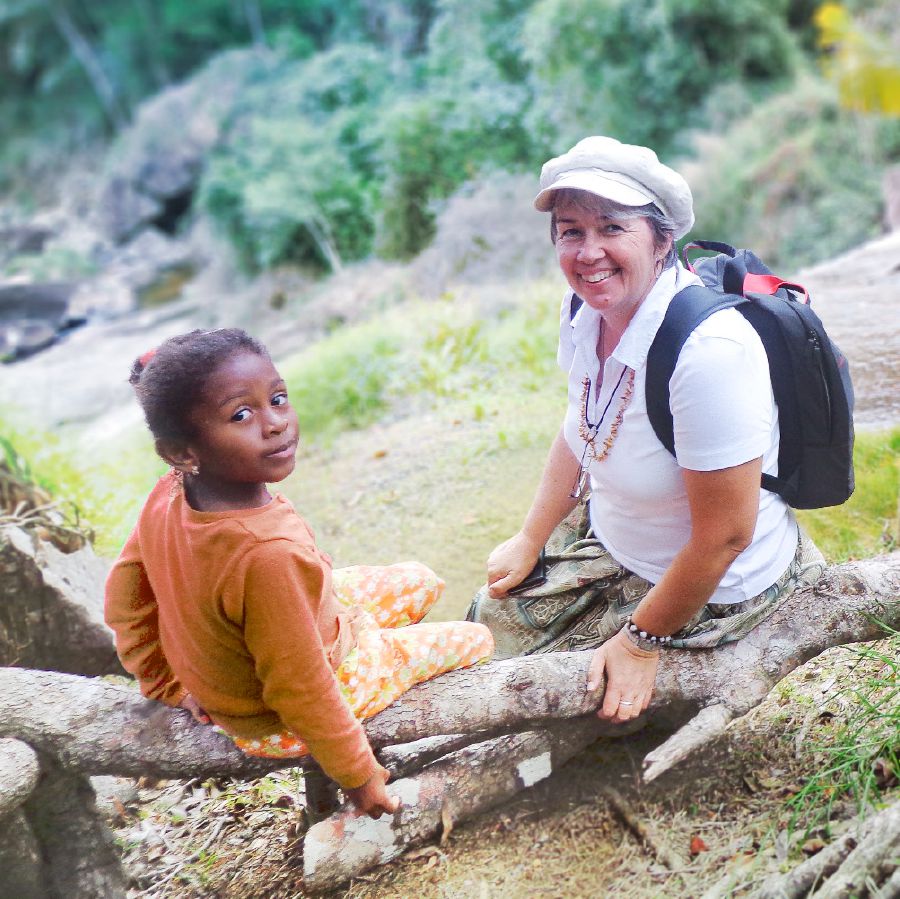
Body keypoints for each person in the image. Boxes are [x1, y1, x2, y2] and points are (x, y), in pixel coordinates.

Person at [471, 136, 824, 725]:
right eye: (570, 231)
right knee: (486, 624)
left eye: (612, 228)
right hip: (618, 539)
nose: (588, 253)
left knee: (551, 707)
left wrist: (640, 642)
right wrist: (531, 536)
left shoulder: (709, 352)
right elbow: (581, 424)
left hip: (711, 583)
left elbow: (725, 536)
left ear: (663, 241)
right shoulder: (586, 310)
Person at [105, 328, 494, 819]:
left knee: (419, 580)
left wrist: (168, 684)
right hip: (274, 717)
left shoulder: (172, 490)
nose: (275, 424)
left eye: (278, 398)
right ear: (183, 452)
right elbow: (300, 688)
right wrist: (357, 774)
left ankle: (370, 644)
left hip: (268, 650)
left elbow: (123, 599)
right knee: (476, 639)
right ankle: (381, 679)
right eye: (241, 415)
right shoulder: (266, 555)